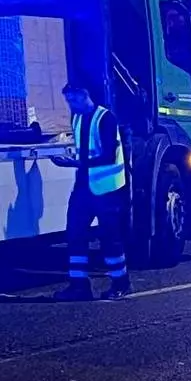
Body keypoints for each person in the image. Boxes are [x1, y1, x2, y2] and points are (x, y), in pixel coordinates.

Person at [51, 81, 132, 301]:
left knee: (110, 237)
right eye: (68, 100)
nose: (70, 104)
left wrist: (75, 164)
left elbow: (108, 156)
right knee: (75, 234)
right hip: (84, 187)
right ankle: (79, 286)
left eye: (73, 99)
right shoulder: (77, 118)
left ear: (85, 95)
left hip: (108, 189)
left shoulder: (105, 119)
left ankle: (121, 283)